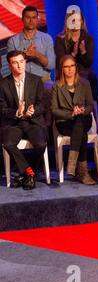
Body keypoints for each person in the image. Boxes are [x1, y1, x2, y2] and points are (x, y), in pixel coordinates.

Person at [0, 50, 47, 190]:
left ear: (25, 62)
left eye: (21, 61)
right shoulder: (3, 84)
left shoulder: (36, 80)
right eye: (15, 63)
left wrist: (33, 111)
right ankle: (30, 173)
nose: (19, 65)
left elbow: (42, 105)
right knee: (7, 143)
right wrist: (16, 112)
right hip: (14, 123)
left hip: (33, 122)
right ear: (9, 65)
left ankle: (26, 172)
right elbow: (1, 109)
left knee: (41, 143)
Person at [51, 55, 95, 185]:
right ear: (62, 69)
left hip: (83, 118)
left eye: (72, 66)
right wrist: (71, 113)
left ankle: (71, 164)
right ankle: (83, 171)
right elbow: (54, 110)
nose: (70, 69)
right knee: (81, 132)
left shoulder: (85, 83)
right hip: (65, 123)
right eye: (66, 67)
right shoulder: (56, 86)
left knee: (80, 122)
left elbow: (90, 105)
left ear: (76, 67)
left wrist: (82, 111)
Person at [55, 6, 98, 102]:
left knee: (91, 78)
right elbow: (60, 62)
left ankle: (92, 110)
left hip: (84, 72)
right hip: (67, 73)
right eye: (73, 20)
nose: (76, 23)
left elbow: (89, 63)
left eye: (79, 20)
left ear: (82, 21)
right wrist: (73, 54)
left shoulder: (88, 38)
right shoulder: (61, 39)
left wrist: (83, 52)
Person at [7, 6, 55, 82]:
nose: (31, 21)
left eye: (34, 17)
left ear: (37, 19)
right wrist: (26, 56)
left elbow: (51, 65)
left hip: (44, 80)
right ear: (22, 19)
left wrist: (37, 54)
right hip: (23, 81)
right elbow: (12, 66)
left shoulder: (47, 38)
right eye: (28, 17)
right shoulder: (12, 41)